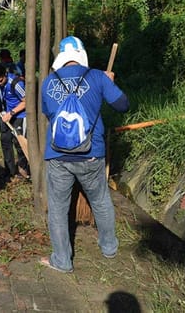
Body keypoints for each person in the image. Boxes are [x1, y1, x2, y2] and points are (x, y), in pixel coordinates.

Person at [39, 36, 129, 273]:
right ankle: (109, 247)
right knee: (100, 199)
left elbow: (48, 114)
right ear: (81, 53)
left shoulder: (48, 82)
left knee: (58, 209)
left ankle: (62, 260)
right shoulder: (98, 77)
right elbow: (123, 105)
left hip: (57, 155)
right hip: (91, 152)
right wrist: (109, 84)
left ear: (61, 57)